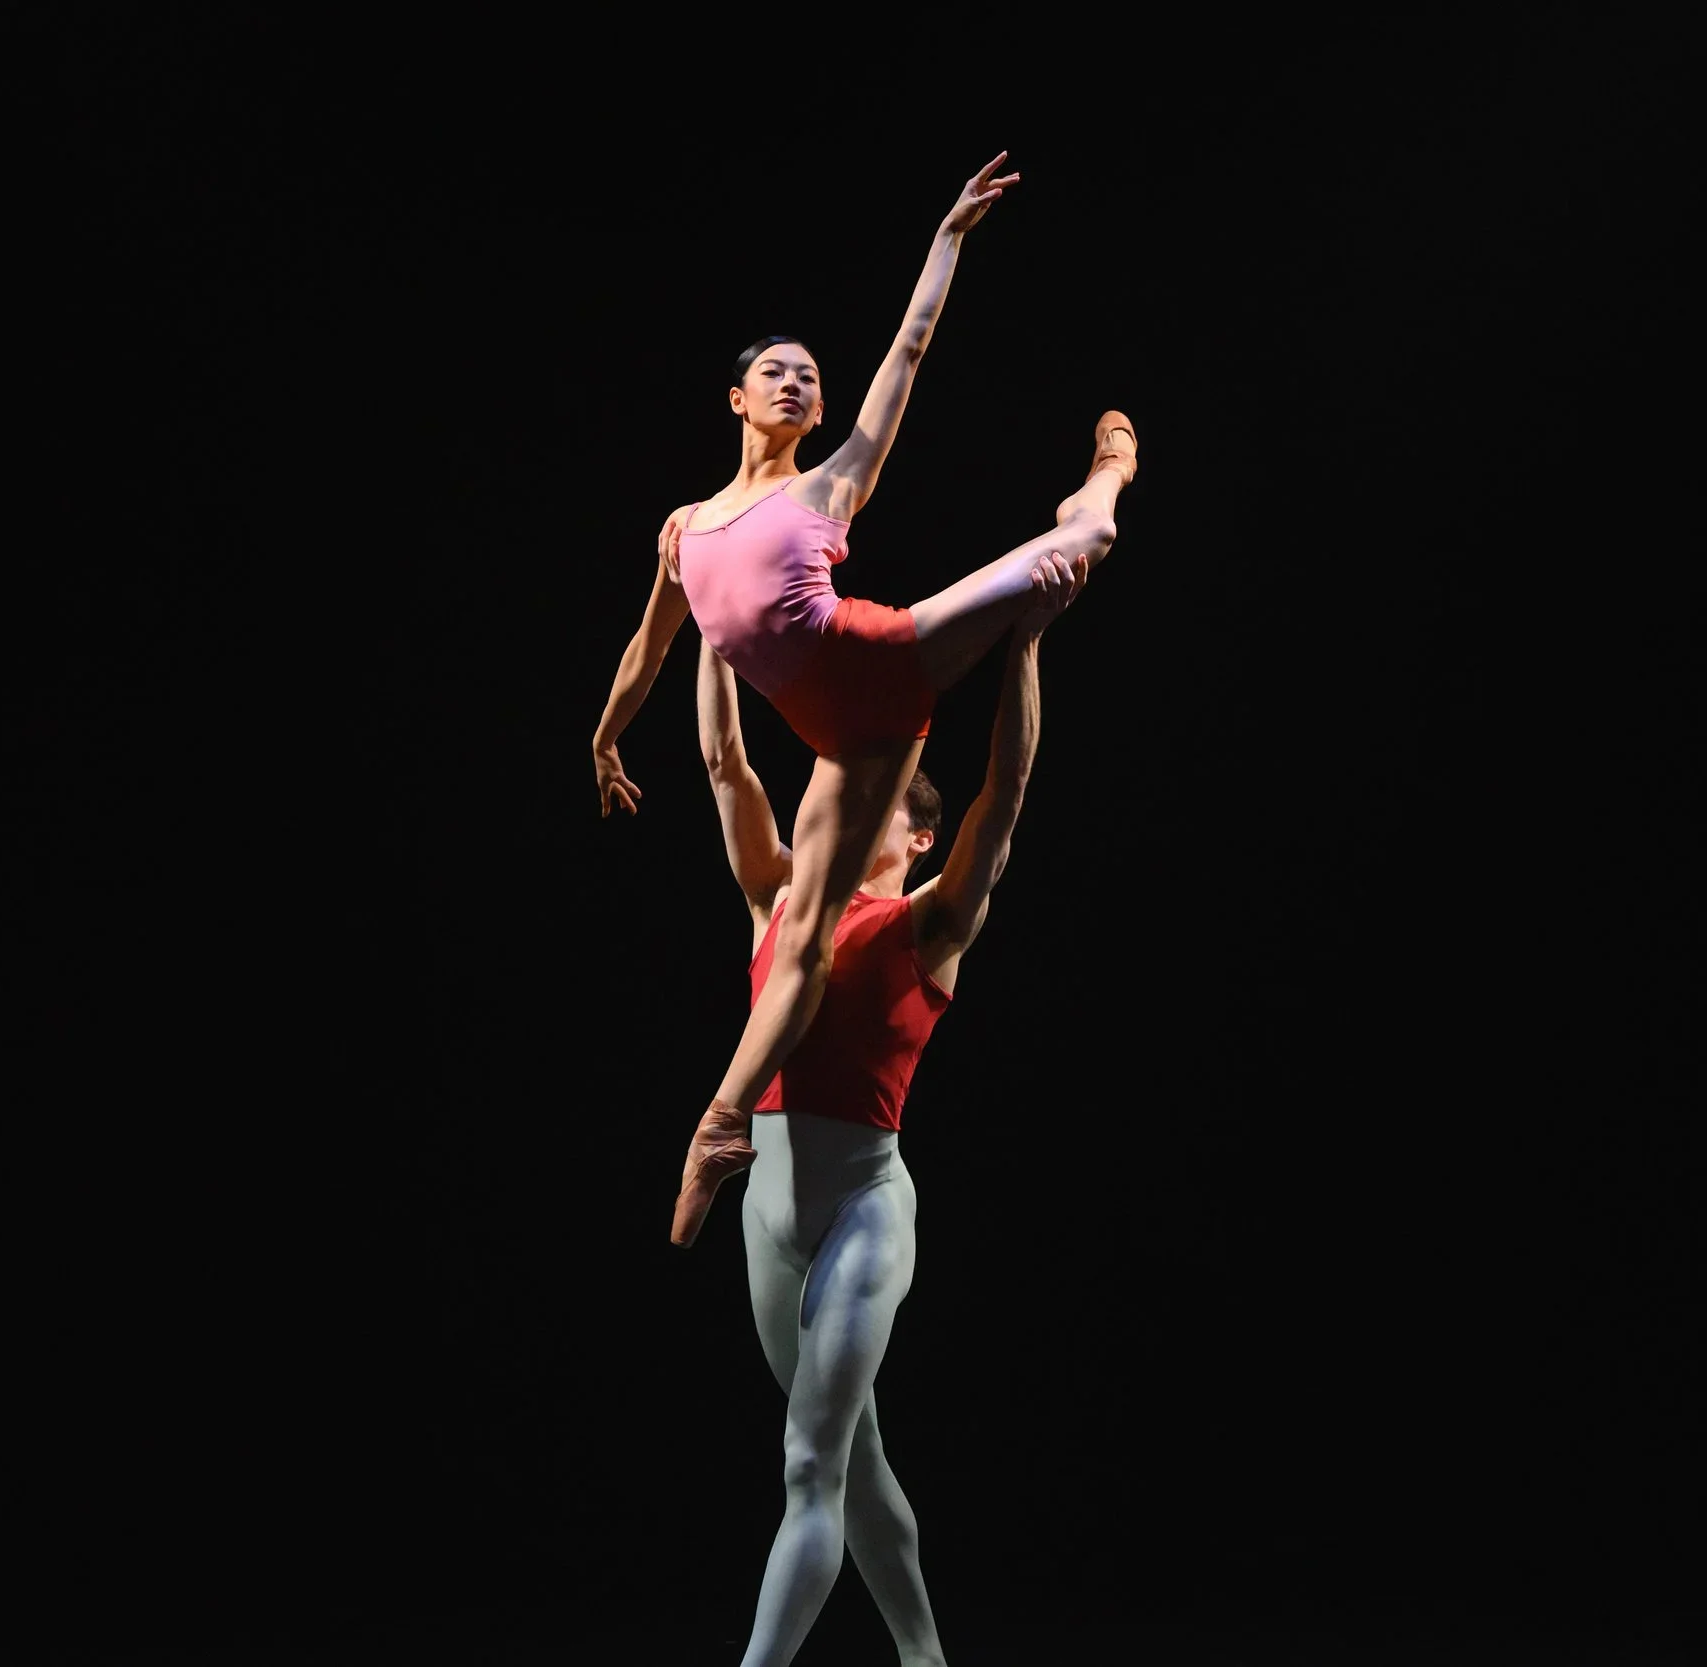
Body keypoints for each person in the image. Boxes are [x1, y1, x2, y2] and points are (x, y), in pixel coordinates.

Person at [587, 152, 1140, 1245]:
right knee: (803, 935)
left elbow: (909, 352)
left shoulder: (830, 480)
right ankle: (727, 1124)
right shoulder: (684, 528)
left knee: (1087, 540)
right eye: (776, 373)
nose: (798, 383)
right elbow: (651, 646)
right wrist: (603, 739)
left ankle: (1109, 463)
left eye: (809, 375)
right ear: (738, 397)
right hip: (837, 734)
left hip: (882, 664)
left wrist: (946, 238)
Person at [694, 546, 1077, 1666]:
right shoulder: (779, 902)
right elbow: (725, 764)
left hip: (865, 1205)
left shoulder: (929, 928)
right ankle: (926, 1657)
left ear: (914, 837)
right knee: (851, 1461)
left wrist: (1026, 645)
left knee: (807, 1463)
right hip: (768, 1213)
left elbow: (1004, 793)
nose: (858, 808)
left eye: (887, 809)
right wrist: (711, 629)